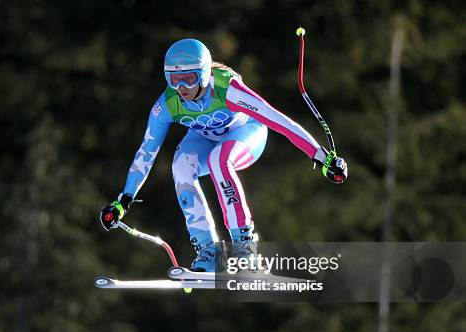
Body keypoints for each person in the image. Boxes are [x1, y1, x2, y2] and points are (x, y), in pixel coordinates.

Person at [100, 38, 347, 272]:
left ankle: (244, 247)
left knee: (220, 160)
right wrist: (124, 200)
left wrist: (320, 156)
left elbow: (276, 119)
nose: (181, 87)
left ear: (205, 74)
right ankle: (209, 250)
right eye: (173, 79)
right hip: (204, 139)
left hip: (245, 133)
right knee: (181, 166)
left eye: (189, 78)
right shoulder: (166, 104)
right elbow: (146, 152)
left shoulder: (226, 89)